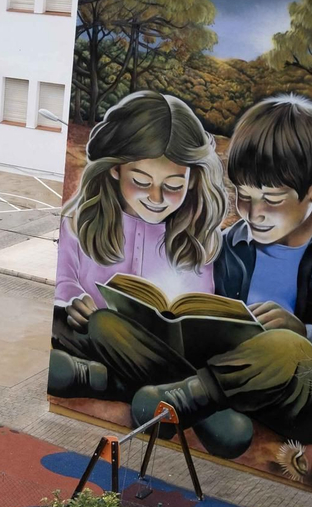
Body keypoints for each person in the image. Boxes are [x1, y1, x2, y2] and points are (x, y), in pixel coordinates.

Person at [128, 94, 312, 454]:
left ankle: (188, 396)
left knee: (283, 344)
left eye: (272, 200)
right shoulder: (229, 243)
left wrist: (305, 335)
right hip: (236, 384)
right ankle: (212, 412)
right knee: (118, 324)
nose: (253, 213)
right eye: (243, 196)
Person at [49, 91, 227, 399]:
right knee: (93, 324)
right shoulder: (79, 222)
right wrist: (73, 300)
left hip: (159, 354)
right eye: (142, 182)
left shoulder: (197, 239)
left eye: (173, 186)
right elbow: (63, 282)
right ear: (115, 168)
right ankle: (189, 396)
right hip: (95, 338)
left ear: (194, 179)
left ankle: (100, 380)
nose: (156, 199)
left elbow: (197, 316)